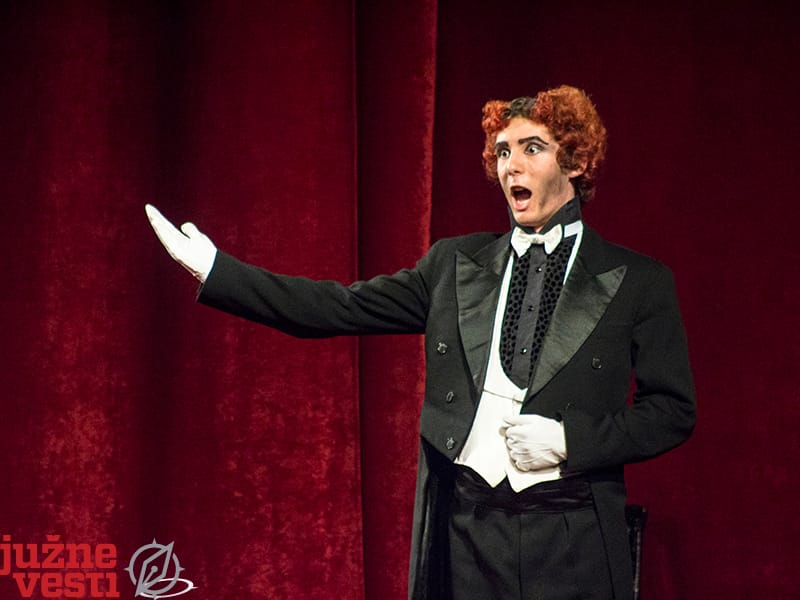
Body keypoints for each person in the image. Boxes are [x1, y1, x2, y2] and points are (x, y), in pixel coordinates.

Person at [146, 85, 696, 600]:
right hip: (467, 537)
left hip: (571, 538)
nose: (512, 165)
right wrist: (216, 270)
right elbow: (338, 306)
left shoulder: (638, 281)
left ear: (575, 162)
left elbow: (672, 412)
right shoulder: (454, 265)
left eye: (532, 149)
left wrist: (570, 440)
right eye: (503, 152)